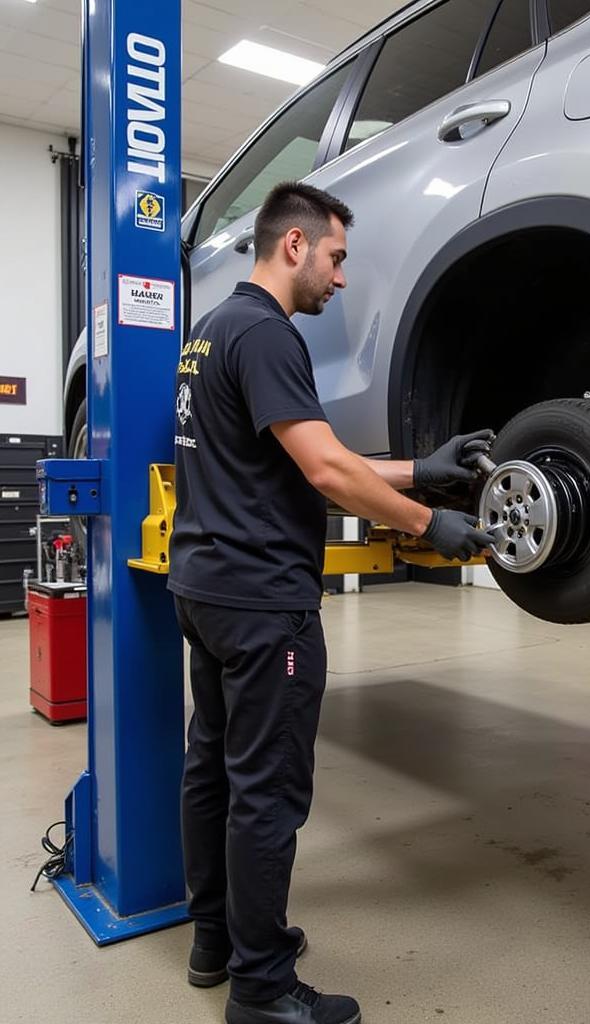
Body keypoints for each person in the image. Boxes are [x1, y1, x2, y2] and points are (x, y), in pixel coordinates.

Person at [167, 180, 495, 1024]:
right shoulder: (270, 336)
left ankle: (216, 942)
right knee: (267, 791)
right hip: (264, 604)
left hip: (205, 590)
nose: (341, 279)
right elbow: (324, 471)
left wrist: (422, 469)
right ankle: (264, 989)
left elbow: (300, 456)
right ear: (294, 246)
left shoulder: (212, 333)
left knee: (214, 768)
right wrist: (431, 524)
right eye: (337, 258)